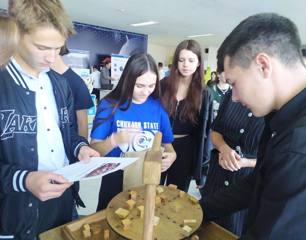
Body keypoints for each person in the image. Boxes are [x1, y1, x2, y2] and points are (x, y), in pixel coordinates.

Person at [200, 13, 306, 239]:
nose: (233, 97)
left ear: (263, 65)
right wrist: (199, 210)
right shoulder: (283, 118)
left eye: (234, 83)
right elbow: (258, 183)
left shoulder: (303, 146)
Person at [0, 0, 99, 239]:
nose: (52, 57)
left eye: (58, 48)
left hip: (64, 203)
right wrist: (25, 180)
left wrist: (80, 148)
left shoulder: (59, 83)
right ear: (17, 34)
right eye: (43, 48)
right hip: (14, 213)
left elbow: (67, 133)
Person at [90, 53, 176, 210]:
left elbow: (167, 143)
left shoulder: (158, 107)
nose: (146, 92)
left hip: (147, 177)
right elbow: (93, 150)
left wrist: (172, 156)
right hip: (115, 178)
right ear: (128, 81)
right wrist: (114, 140)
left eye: (151, 86)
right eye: (139, 86)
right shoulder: (110, 105)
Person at [201, 65, 264, 235]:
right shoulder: (231, 95)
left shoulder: (275, 109)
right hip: (217, 175)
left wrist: (246, 162)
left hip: (245, 185)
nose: (235, 94)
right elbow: (215, 131)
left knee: (233, 231)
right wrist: (223, 148)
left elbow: (275, 158)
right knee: (204, 226)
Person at [160, 39, 214, 192]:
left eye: (191, 60)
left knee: (176, 195)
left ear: (198, 63)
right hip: (159, 145)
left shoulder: (204, 94)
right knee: (152, 191)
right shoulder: (163, 85)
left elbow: (205, 132)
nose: (185, 65)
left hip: (186, 150)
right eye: (181, 60)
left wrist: (203, 168)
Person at [51, 45, 94, 139]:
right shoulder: (45, 78)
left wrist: (80, 149)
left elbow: (82, 125)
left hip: (68, 147)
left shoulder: (76, 83)